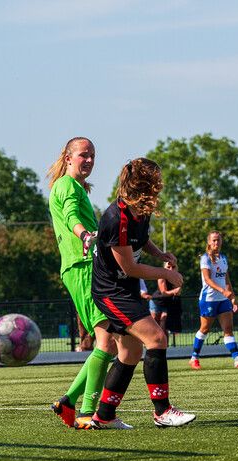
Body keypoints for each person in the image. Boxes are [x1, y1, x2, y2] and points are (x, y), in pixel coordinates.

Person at [80, 157, 195, 429]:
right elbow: (129, 267)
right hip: (111, 292)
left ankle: (104, 416)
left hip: (124, 290)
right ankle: (162, 411)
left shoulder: (140, 210)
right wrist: (166, 273)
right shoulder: (115, 217)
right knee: (156, 337)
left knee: (130, 354)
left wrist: (160, 254)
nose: (159, 185)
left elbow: (141, 240)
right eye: (155, 180)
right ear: (143, 184)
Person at [47, 137, 118, 428]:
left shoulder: (74, 187)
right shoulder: (66, 186)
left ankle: (68, 402)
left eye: (92, 156)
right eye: (83, 155)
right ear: (68, 157)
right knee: (106, 341)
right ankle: (88, 412)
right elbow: (72, 216)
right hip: (83, 267)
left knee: (110, 343)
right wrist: (85, 235)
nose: (88, 160)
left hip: (88, 267)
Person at [188, 231, 238, 370]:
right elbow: (207, 279)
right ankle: (194, 357)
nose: (216, 243)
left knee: (228, 329)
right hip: (209, 299)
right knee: (205, 329)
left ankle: (237, 359)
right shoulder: (205, 258)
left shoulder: (223, 257)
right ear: (209, 242)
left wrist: (232, 298)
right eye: (213, 240)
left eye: (218, 240)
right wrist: (223, 291)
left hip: (223, 299)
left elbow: (226, 279)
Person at [149, 261, 181, 337]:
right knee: (154, 324)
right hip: (157, 302)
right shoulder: (161, 277)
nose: (171, 269)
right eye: (168, 267)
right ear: (164, 268)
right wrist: (174, 291)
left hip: (167, 303)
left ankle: (164, 346)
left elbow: (178, 291)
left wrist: (177, 291)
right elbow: (164, 292)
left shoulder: (178, 277)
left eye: (173, 267)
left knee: (164, 321)